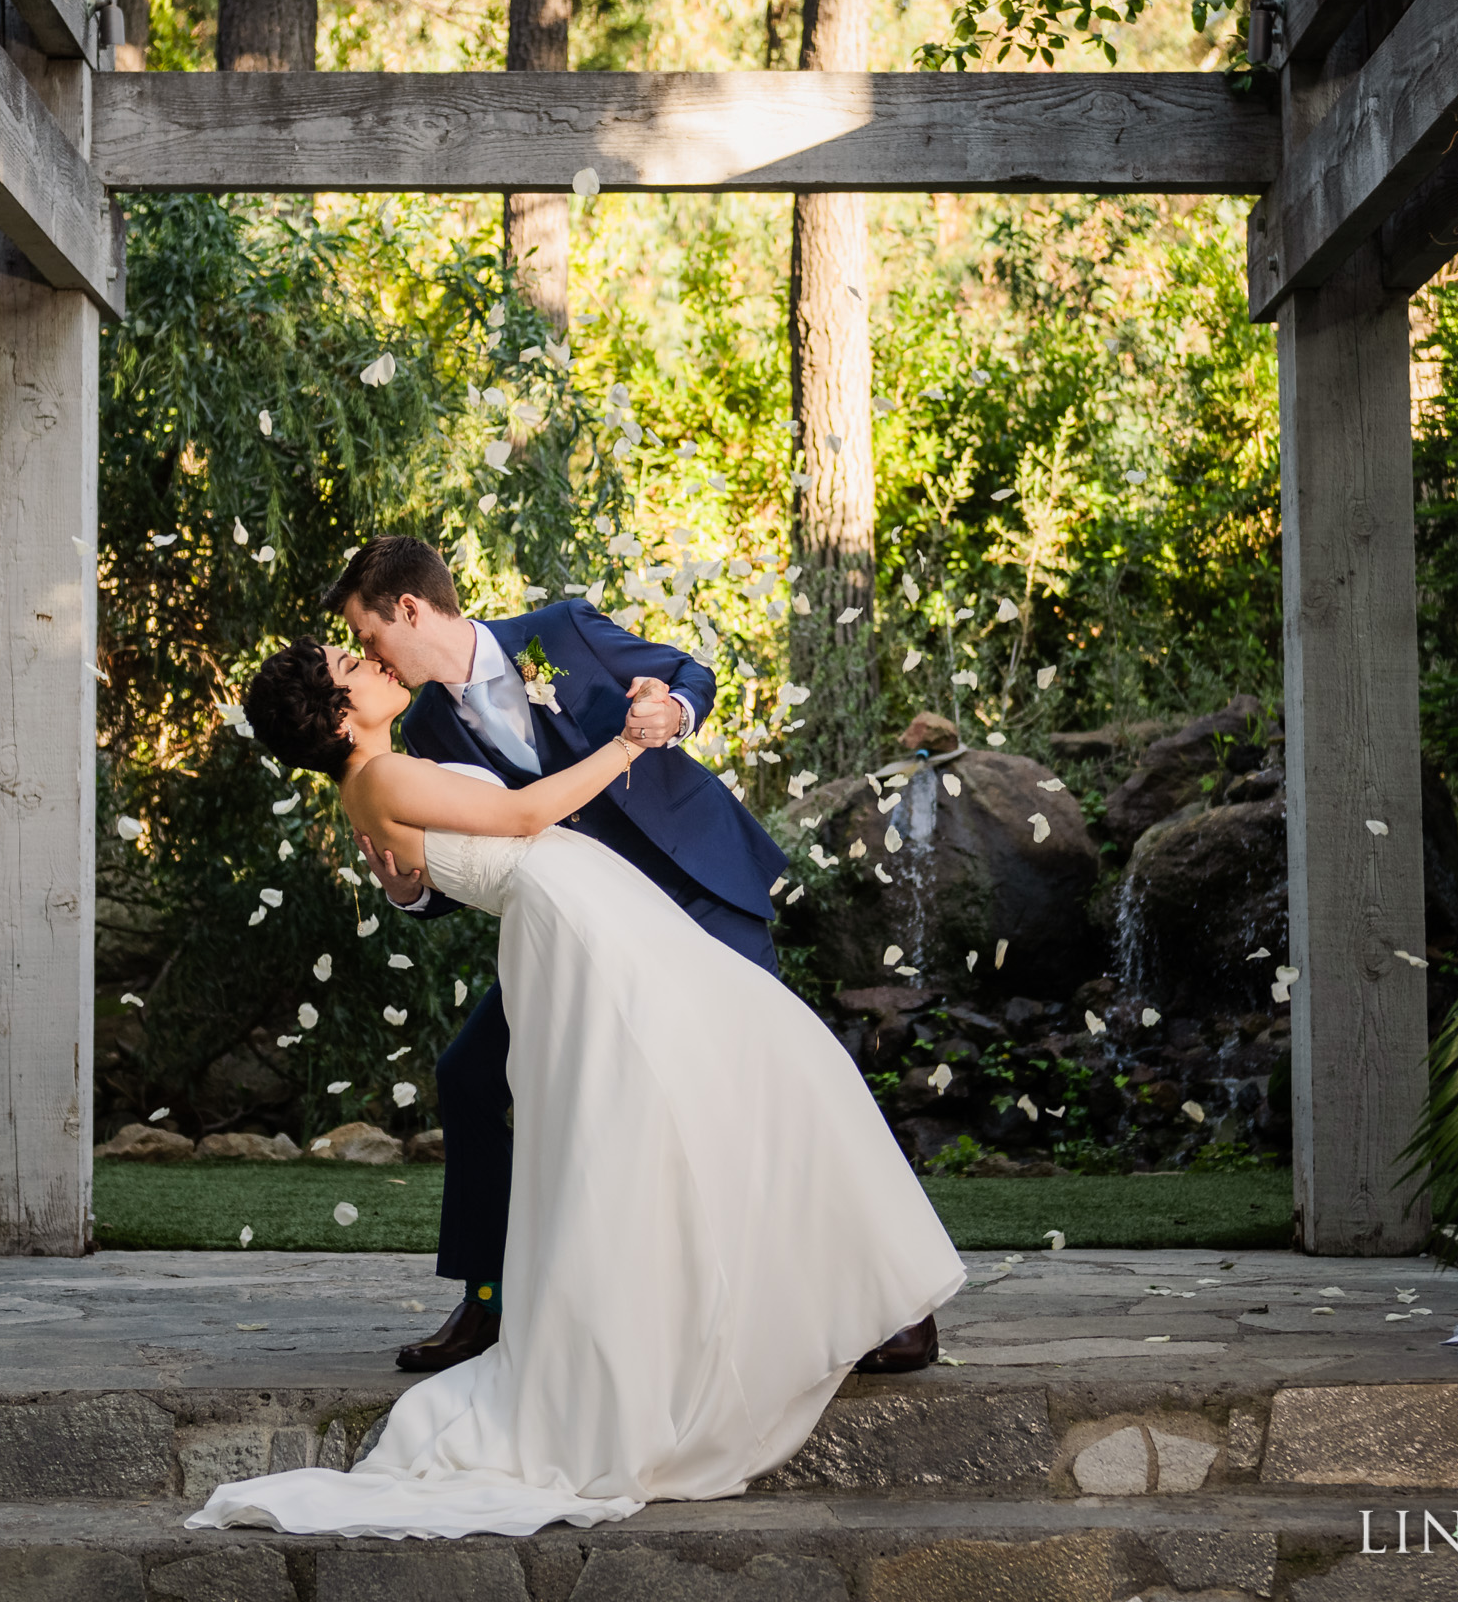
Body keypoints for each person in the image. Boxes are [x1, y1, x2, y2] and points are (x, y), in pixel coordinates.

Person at [190, 636, 962, 1539]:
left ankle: (839, 1295)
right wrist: (628, 746)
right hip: (581, 931)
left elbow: (449, 850)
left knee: (755, 1068)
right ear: (336, 712)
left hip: (590, 914)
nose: (371, 665)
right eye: (350, 668)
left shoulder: (382, 776)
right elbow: (518, 819)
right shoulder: (381, 780)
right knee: (732, 1079)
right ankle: (765, 1310)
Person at [321, 537, 939, 1378]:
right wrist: (404, 893)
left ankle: (893, 1307)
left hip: (692, 890)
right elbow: (454, 858)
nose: (369, 659)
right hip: (578, 932)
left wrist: (670, 714)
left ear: (412, 610)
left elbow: (690, 675)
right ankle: (493, 1299)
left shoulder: (561, 631)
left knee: (768, 1082)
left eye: (369, 639)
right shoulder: (419, 727)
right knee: (471, 1075)